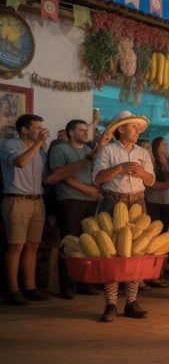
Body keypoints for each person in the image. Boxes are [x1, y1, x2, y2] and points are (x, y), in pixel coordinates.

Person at [2, 114, 104, 305]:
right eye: (37, 127)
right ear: (24, 129)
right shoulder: (11, 145)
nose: (41, 130)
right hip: (17, 199)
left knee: (32, 245)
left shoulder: (41, 153)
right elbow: (20, 162)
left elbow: (49, 179)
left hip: (37, 200)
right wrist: (38, 144)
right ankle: (12, 290)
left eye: (42, 127)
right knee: (16, 246)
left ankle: (30, 288)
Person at [93, 111, 155, 322]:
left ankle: (131, 302)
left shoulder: (143, 153)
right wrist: (120, 167)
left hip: (137, 201)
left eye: (138, 127)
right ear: (121, 129)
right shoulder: (107, 150)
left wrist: (142, 173)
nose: (137, 130)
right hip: (113, 200)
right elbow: (98, 179)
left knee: (136, 251)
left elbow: (151, 180)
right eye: (133, 127)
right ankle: (110, 304)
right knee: (111, 253)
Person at [50, 119, 109, 299]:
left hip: (90, 201)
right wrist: (87, 189)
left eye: (86, 130)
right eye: (82, 130)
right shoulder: (60, 149)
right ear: (70, 132)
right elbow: (62, 176)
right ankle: (67, 285)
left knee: (88, 242)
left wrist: (96, 190)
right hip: (70, 200)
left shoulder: (88, 150)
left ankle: (85, 282)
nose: (85, 133)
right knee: (70, 241)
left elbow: (95, 174)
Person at [144, 137, 169, 288]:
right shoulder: (153, 162)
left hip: (166, 202)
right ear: (156, 147)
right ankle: (151, 274)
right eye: (164, 144)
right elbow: (152, 184)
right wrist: (168, 184)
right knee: (154, 239)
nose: (167, 146)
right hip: (153, 202)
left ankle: (160, 272)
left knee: (164, 238)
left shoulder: (168, 162)